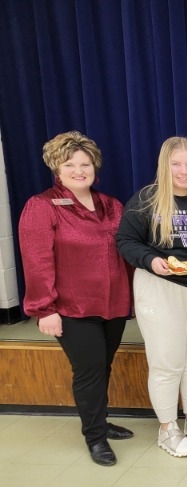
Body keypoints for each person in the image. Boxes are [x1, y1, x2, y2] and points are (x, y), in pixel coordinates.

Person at [18, 131, 132, 466]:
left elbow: (125, 252)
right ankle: (95, 438)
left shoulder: (111, 205)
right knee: (89, 369)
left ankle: (100, 420)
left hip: (112, 304)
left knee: (103, 365)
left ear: (95, 167)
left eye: (85, 164)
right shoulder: (42, 206)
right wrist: (44, 309)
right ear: (57, 168)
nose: (79, 170)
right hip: (71, 308)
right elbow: (36, 260)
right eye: (70, 164)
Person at [116, 137, 187, 458]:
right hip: (160, 287)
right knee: (166, 362)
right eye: (176, 164)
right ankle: (167, 428)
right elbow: (125, 240)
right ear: (165, 165)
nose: (183, 171)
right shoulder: (146, 201)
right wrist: (151, 260)